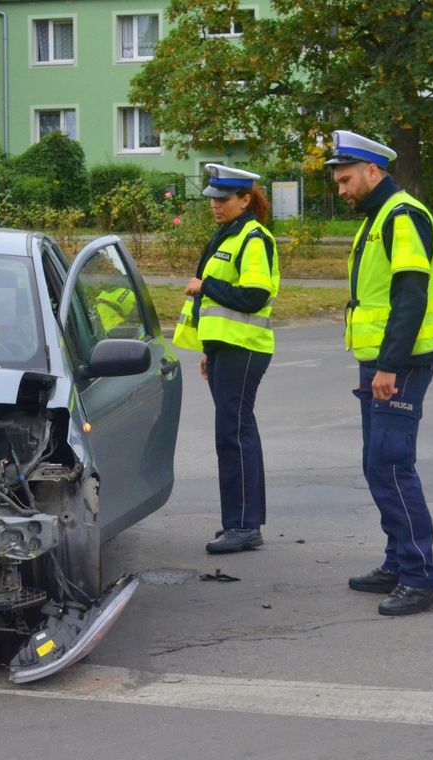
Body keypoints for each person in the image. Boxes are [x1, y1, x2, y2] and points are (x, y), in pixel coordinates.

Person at [326, 130, 433, 615]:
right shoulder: (378, 219)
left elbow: (411, 296)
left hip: (402, 364)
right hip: (379, 362)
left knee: (392, 465)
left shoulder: (402, 216)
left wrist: (390, 366)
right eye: (338, 181)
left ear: (373, 171)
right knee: (378, 465)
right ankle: (399, 562)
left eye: (347, 178)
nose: (342, 189)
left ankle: (421, 576)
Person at [174, 164, 279, 554]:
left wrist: (207, 285)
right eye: (213, 200)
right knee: (234, 434)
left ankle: (244, 526)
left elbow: (255, 295)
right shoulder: (229, 234)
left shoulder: (253, 237)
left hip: (245, 348)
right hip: (228, 349)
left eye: (223, 199)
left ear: (245, 199)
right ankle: (239, 523)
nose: (215, 206)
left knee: (234, 436)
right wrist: (210, 349)